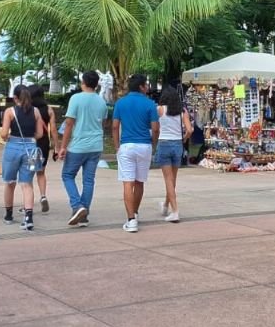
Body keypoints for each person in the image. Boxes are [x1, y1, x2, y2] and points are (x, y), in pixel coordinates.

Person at [58, 72, 107, 227]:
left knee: (67, 175)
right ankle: (83, 213)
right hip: (96, 145)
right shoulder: (101, 101)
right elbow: (103, 123)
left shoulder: (76, 99)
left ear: (83, 82)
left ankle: (77, 206)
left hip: (78, 145)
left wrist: (63, 146)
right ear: (97, 84)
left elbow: (69, 124)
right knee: (88, 180)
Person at [112, 73, 158, 233]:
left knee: (127, 182)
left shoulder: (120, 103)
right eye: (146, 85)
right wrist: (153, 144)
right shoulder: (150, 104)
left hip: (127, 145)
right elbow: (155, 128)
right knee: (139, 182)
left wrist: (117, 145)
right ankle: (135, 213)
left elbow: (115, 126)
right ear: (141, 87)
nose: (147, 87)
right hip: (144, 145)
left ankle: (131, 219)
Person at [0, 85, 46, 230]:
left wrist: (8, 137)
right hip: (31, 149)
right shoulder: (36, 111)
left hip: (12, 147)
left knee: (10, 182)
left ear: (15, 98)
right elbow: (39, 134)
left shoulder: (10, 111)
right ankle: (28, 217)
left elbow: (3, 133)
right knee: (27, 184)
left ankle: (8, 215)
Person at [155, 85, 192, 223]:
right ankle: (165, 205)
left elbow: (155, 128)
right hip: (177, 144)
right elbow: (189, 130)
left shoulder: (159, 110)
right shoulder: (182, 111)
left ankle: (175, 211)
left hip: (164, 143)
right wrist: (185, 138)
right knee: (172, 179)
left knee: (168, 179)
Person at [30, 85, 59, 214]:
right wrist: (56, 147)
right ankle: (43, 196)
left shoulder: (28, 109)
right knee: (41, 172)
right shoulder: (49, 109)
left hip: (31, 143)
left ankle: (28, 203)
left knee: (28, 174)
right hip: (44, 143)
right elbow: (53, 129)